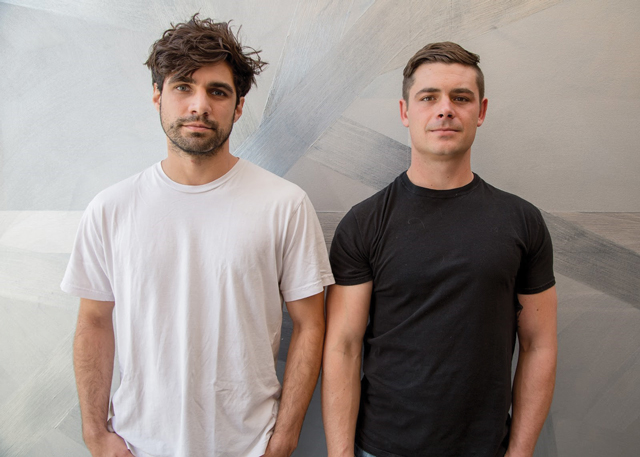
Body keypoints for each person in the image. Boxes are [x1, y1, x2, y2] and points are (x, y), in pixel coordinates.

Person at [62, 14, 334, 457]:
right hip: (139, 445)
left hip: (248, 446)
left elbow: (310, 324)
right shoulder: (111, 209)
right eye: (183, 87)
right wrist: (95, 434)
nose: (199, 105)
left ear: (238, 107)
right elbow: (93, 322)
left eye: (218, 91)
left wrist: (284, 439)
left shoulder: (284, 205)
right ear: (158, 95)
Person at [322, 42, 557, 457]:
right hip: (383, 447)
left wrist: (520, 452)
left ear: (481, 111)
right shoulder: (364, 223)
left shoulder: (522, 221)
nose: (445, 109)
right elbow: (343, 346)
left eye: (460, 98)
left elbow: (539, 344)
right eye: (429, 97)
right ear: (405, 111)